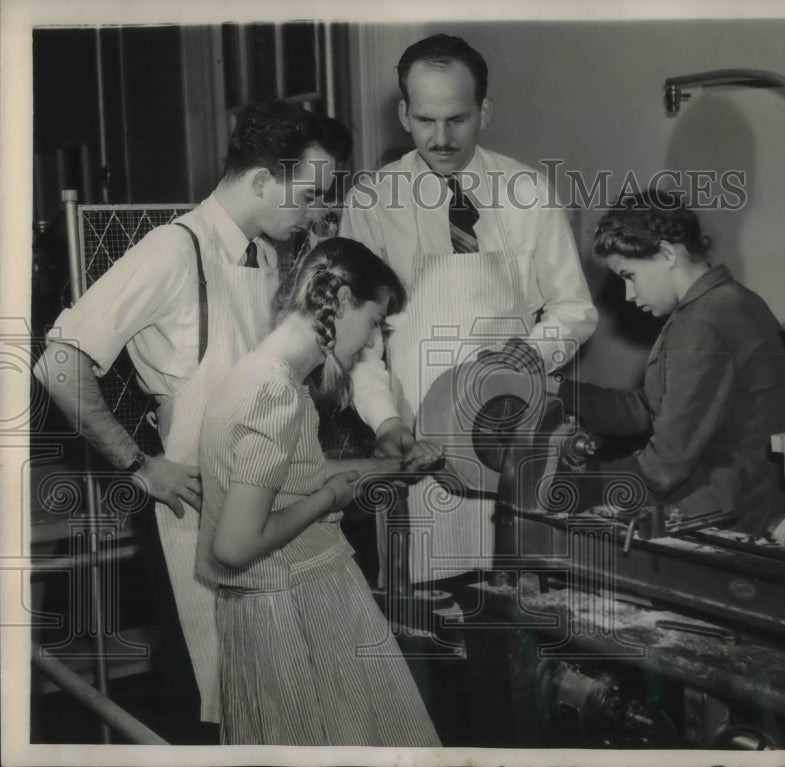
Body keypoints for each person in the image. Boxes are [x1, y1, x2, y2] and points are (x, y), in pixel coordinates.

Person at [32, 101, 352, 727]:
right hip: (194, 512)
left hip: (258, 500)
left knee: (273, 696)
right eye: (308, 195)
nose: (314, 213)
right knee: (220, 699)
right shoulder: (172, 251)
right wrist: (138, 464)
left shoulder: (260, 255)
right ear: (262, 180)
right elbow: (59, 364)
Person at [340, 33, 597, 585]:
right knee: (428, 602)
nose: (441, 138)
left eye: (457, 118)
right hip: (416, 439)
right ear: (403, 113)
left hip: (514, 430)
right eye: (425, 119)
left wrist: (523, 361)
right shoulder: (371, 202)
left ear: (485, 109)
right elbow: (361, 341)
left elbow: (575, 310)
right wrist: (384, 420)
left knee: (519, 589)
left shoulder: (529, 192)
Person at [195, 238, 441, 746]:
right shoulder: (275, 394)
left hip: (276, 605)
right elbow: (235, 545)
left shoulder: (258, 373)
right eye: (375, 321)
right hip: (294, 609)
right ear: (344, 298)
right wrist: (329, 498)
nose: (373, 343)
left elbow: (291, 475)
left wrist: (389, 467)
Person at [557, 189, 785, 536]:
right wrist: (558, 391)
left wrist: (570, 484)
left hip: (722, 515)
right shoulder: (723, 303)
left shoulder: (705, 322)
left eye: (629, 276)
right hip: (736, 497)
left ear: (667, 253)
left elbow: (663, 467)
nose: (629, 295)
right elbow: (649, 407)